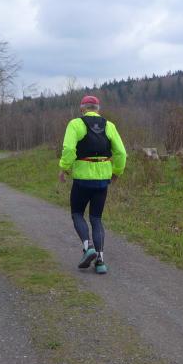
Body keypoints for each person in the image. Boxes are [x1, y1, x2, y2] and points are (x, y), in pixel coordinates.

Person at [59, 95, 126, 274]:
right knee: (96, 218)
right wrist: (117, 172)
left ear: (82, 108)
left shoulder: (75, 124)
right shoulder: (109, 126)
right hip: (102, 180)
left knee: (77, 213)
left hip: (82, 179)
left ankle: (88, 247)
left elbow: (69, 149)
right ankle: (100, 261)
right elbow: (121, 152)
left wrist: (64, 168)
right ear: (98, 109)